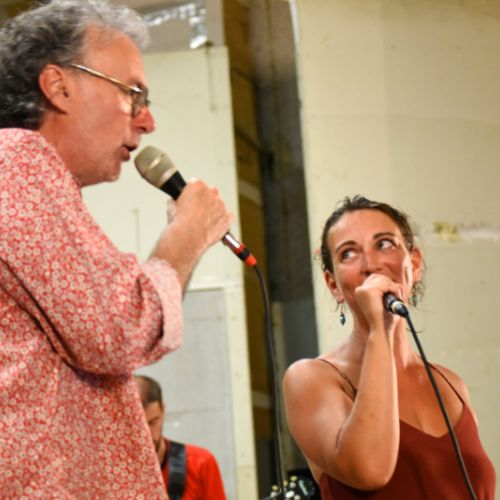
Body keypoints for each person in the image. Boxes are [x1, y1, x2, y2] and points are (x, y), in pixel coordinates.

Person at [0, 1, 232, 497]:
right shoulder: (17, 164)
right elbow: (120, 326)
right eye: (132, 94)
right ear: (58, 85)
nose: (147, 122)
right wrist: (187, 235)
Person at [283, 196, 496, 499]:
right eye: (348, 253)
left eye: (384, 244)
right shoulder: (311, 378)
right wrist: (380, 330)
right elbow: (370, 470)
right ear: (333, 285)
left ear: (415, 264)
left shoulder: (451, 384)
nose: (371, 265)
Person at [134, 375, 227, 500]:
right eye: (138, 426)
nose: (147, 435)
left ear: (163, 410)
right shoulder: (111, 473)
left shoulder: (201, 463)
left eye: (153, 422)